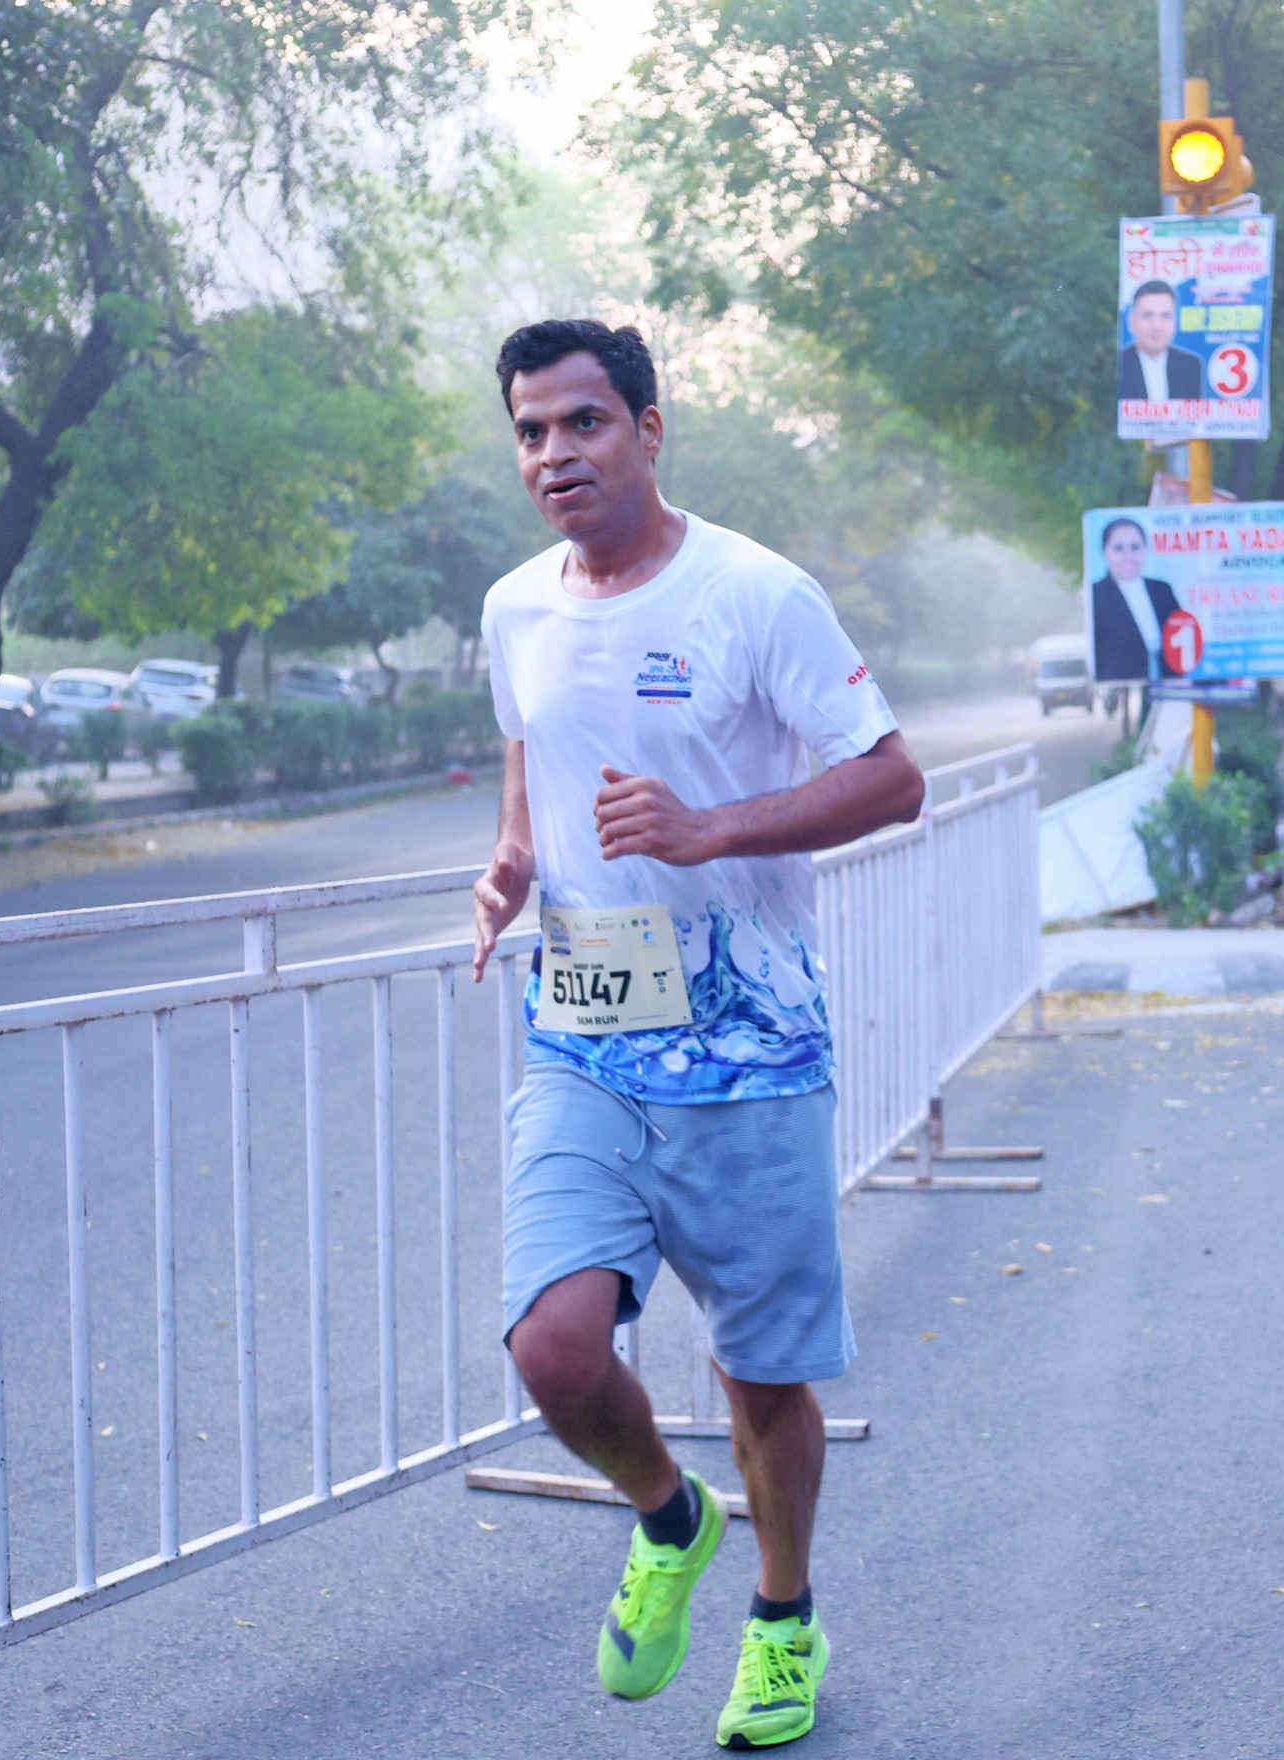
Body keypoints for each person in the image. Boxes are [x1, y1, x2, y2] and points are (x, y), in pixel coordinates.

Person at [471, 318, 927, 1749]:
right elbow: (530, 757)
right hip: (587, 1037)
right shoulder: (514, 607)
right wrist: (511, 861)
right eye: (532, 430)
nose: (556, 453)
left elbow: (893, 778)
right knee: (554, 1349)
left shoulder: (755, 593)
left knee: (760, 1372)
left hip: (749, 1048)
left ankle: (785, 1619)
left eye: (585, 422)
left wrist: (709, 828)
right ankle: (671, 1518)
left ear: (649, 430)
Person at [1089, 515, 1184, 686]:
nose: (1129, 556)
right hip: (1122, 687)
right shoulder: (1095, 594)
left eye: (1135, 547)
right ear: (1104, 552)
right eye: (1118, 548)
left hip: (1169, 684)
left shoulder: (1162, 589)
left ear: (1145, 549)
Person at [1118, 281, 1207, 403]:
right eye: (1148, 315)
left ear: (1174, 321)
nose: (1156, 326)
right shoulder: (1119, 363)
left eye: (1165, 316)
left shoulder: (1191, 365)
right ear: (1132, 321)